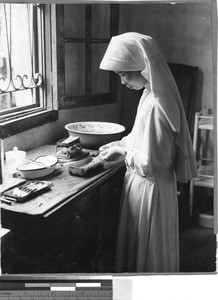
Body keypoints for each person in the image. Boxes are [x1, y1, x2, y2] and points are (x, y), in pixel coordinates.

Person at [99, 32, 197, 273]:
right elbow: (140, 137)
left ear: (142, 66)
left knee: (148, 253)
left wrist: (123, 155)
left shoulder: (156, 105)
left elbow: (152, 163)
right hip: (147, 187)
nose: (122, 81)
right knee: (143, 250)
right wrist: (119, 144)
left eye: (124, 74)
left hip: (150, 190)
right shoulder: (150, 94)